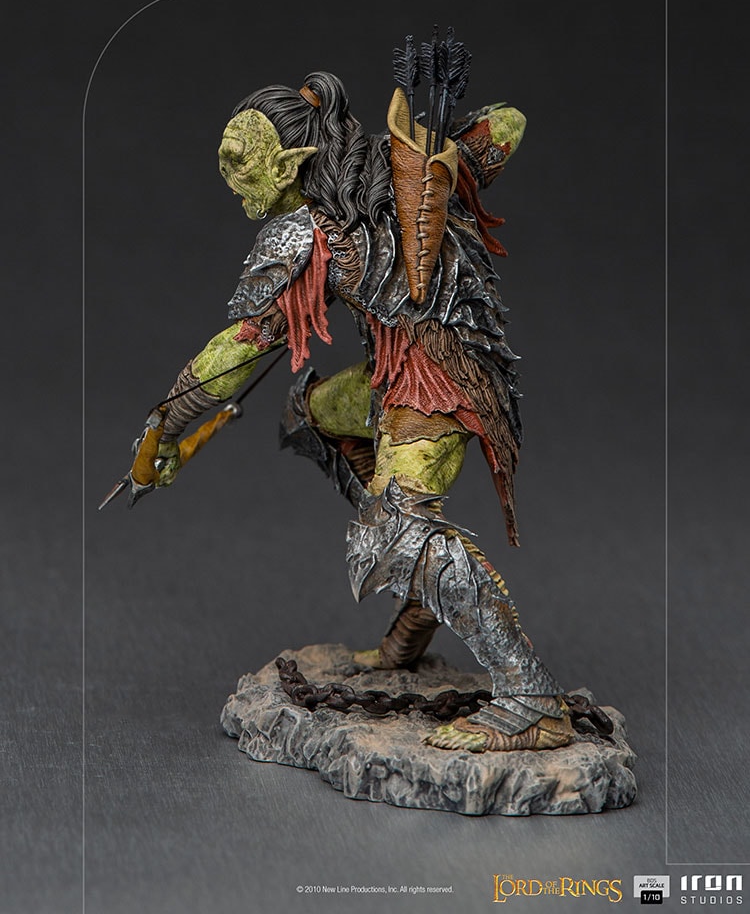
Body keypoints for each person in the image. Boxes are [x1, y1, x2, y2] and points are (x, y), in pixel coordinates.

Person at [126, 64, 574, 752]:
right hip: (396, 368)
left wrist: (166, 422)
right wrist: (447, 153)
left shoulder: (320, 222)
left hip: (439, 382)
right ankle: (420, 607)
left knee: (394, 525)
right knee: (312, 413)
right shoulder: (376, 177)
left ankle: (530, 697)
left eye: (240, 161)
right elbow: (509, 122)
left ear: (291, 163)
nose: (228, 176)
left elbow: (236, 350)